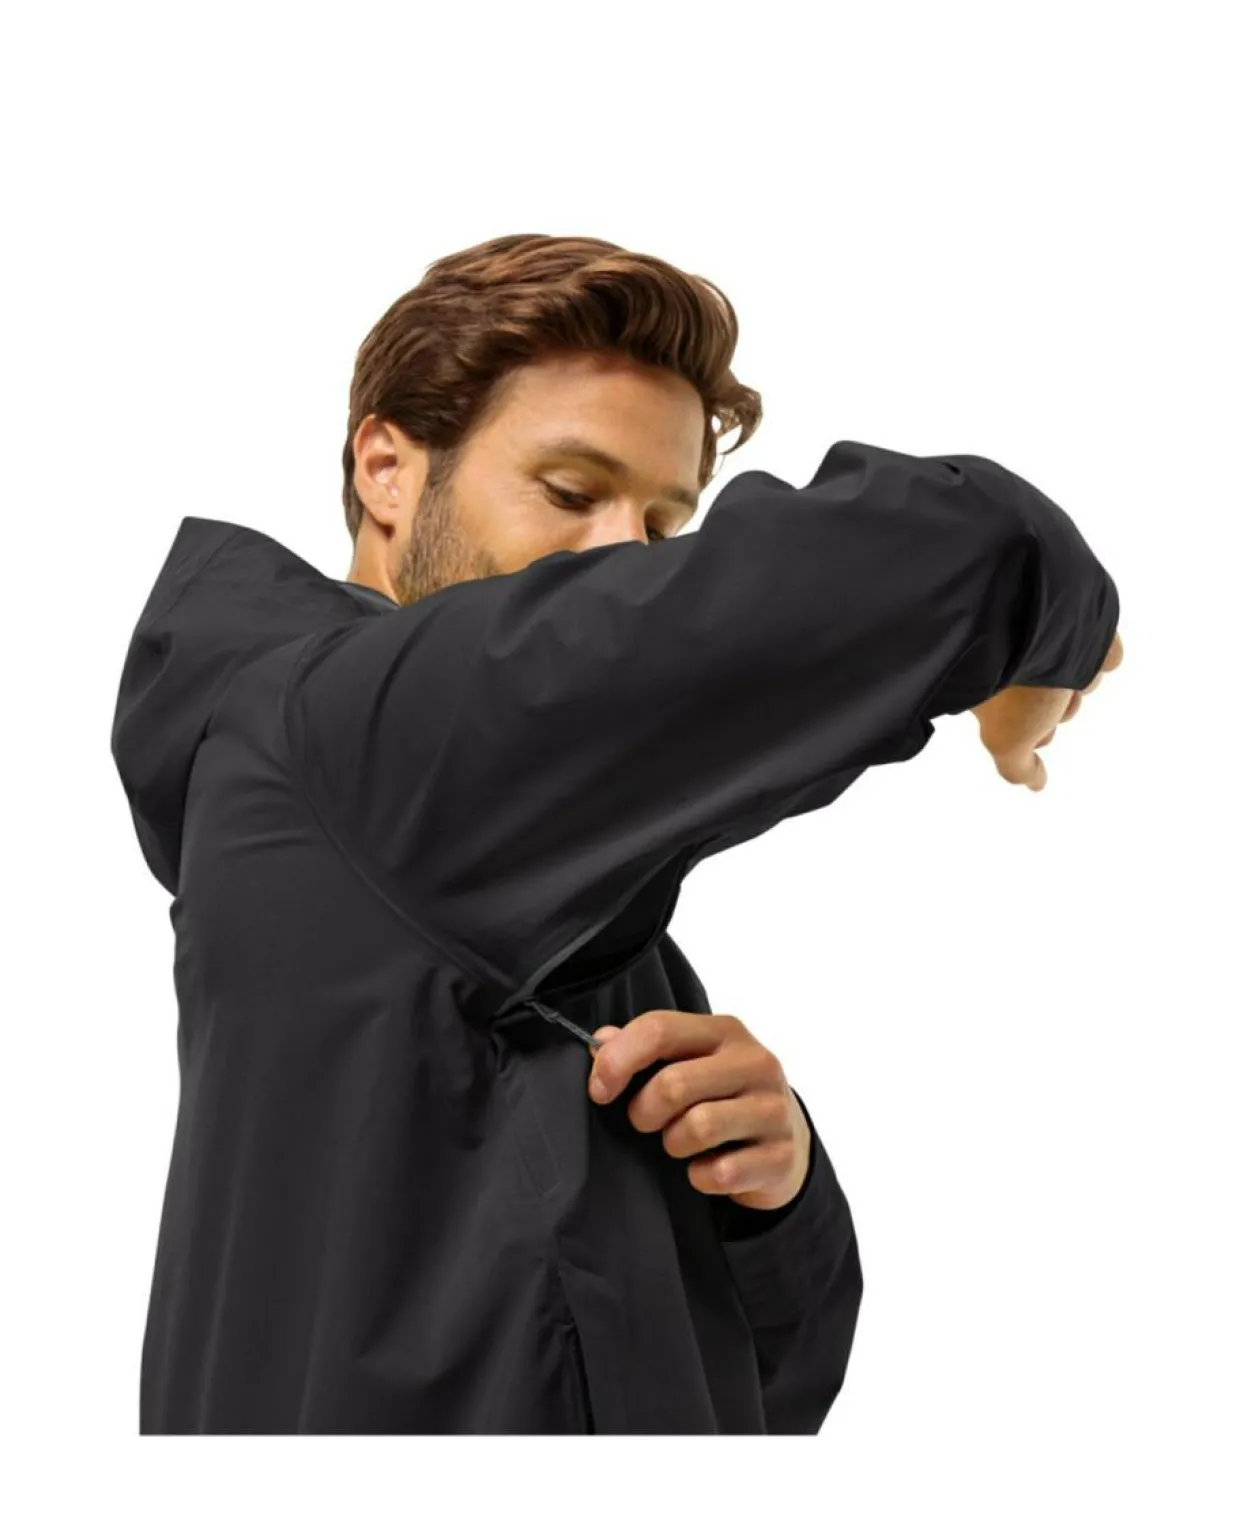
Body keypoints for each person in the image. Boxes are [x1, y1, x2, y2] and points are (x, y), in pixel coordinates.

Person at [110, 231, 1123, 1434]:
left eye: (662, 524)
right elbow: (952, 550)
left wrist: (770, 1194)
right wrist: (1034, 635)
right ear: (386, 468)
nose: (618, 558)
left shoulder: (519, 887)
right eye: (570, 491)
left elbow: (764, 1395)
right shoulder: (355, 737)